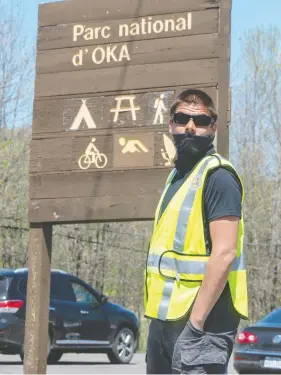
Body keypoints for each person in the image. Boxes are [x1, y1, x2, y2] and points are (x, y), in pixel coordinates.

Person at [144, 89, 248, 374]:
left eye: (200, 120)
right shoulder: (177, 177)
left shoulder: (219, 177)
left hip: (201, 327)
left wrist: (196, 324)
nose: (190, 126)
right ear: (171, 124)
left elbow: (225, 253)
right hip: (165, 324)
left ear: (213, 128)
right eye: (182, 118)